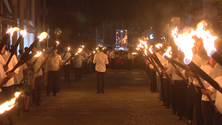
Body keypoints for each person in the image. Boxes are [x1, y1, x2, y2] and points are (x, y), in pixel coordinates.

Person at [184, 40, 209, 125]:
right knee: (197, 107)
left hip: (206, 86)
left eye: (200, 45)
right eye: (197, 46)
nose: (198, 47)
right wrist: (189, 72)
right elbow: (186, 74)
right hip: (195, 86)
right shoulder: (192, 58)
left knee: (205, 108)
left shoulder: (208, 58)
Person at [0, 40, 19, 125]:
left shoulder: (11, 55)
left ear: (4, 46)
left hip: (9, 83)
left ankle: (10, 118)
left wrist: (12, 72)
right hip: (0, 83)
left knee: (9, 101)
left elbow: (17, 67)